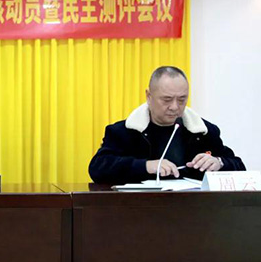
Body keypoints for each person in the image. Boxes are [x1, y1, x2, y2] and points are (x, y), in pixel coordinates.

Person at [89, 66, 245, 184]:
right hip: (139, 210)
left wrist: (219, 163)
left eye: (182, 99)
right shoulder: (124, 131)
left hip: (193, 210)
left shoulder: (203, 131)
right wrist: (146, 166)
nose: (175, 107)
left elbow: (239, 166)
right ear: (149, 96)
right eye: (167, 99)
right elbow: (98, 168)